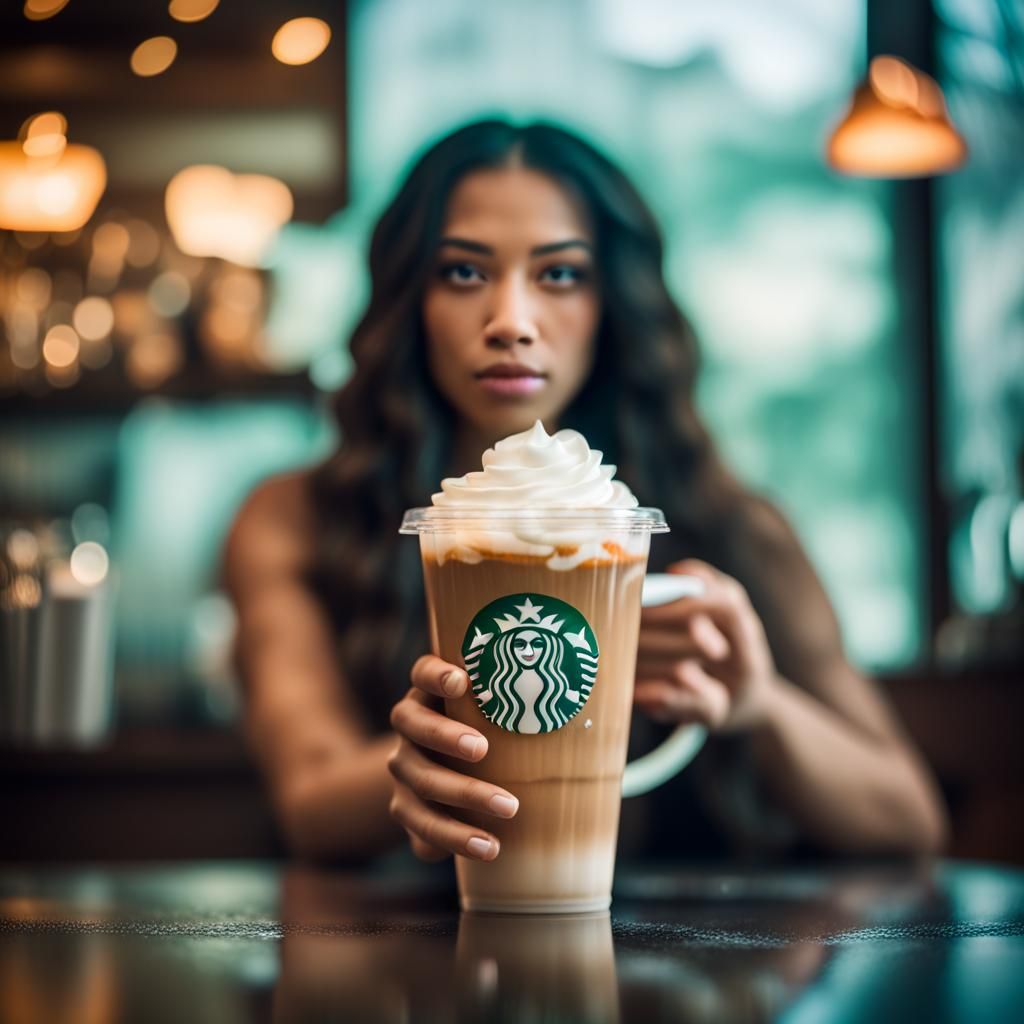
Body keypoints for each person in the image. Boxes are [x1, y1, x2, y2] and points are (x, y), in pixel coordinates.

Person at [223, 119, 948, 866]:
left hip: (701, 962)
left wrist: (759, 704)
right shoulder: (297, 519)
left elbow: (909, 818)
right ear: (411, 302)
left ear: (612, 304)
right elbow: (308, 795)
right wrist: (418, 760)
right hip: (404, 959)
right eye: (464, 273)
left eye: (560, 274)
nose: (511, 322)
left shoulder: (727, 524)